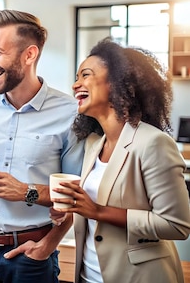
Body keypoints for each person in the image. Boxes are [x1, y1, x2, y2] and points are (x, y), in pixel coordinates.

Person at [0, 9, 85, 283]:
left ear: (29, 55)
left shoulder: (70, 113)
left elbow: (74, 194)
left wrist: (46, 245)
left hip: (32, 255)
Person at [52, 38, 190, 283]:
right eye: (76, 77)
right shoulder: (94, 145)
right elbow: (93, 212)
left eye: (85, 75)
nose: (76, 84)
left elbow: (176, 224)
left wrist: (98, 211)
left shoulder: (153, 142)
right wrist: (71, 212)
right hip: (88, 275)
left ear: (116, 83)